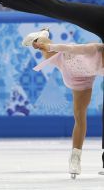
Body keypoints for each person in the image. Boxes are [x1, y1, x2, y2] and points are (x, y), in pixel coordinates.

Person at [0, 0, 104, 177]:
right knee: (61, 8)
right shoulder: (95, 48)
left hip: (81, 72)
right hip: (78, 57)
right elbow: (74, 48)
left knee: (79, 111)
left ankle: (41, 37)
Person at [23, 28, 104, 178]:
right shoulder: (95, 48)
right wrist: (50, 47)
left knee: (80, 115)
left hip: (83, 79)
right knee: (46, 50)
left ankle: (75, 158)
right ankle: (43, 35)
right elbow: (71, 48)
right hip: (68, 58)